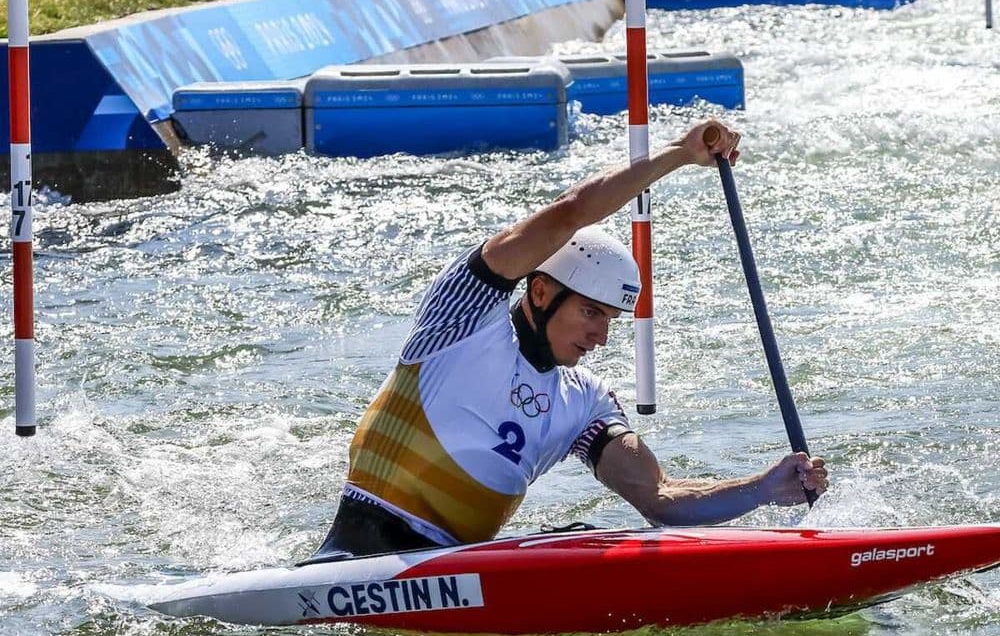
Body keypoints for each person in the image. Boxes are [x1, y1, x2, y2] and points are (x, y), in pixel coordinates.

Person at [314, 119, 828, 560]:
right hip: (354, 556)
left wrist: (762, 488)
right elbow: (571, 212)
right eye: (589, 312)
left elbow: (661, 499)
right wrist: (678, 155)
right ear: (539, 292)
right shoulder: (463, 318)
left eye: (609, 319)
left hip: (456, 567)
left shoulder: (584, 402)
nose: (600, 336)